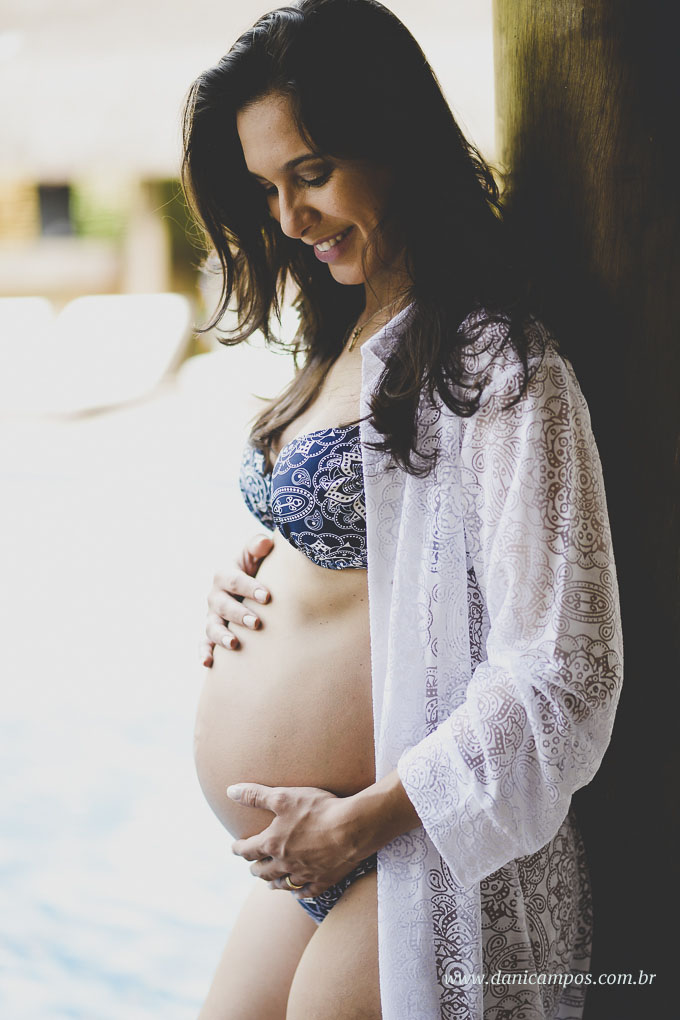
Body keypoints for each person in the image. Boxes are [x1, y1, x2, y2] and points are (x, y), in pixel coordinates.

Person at [182, 1, 623, 1017]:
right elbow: (361, 564)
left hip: (412, 839)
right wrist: (252, 587)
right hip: (319, 844)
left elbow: (565, 669)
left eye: (310, 172)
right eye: (265, 189)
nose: (288, 219)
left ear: (395, 140)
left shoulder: (499, 366)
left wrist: (367, 820)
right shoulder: (342, 329)